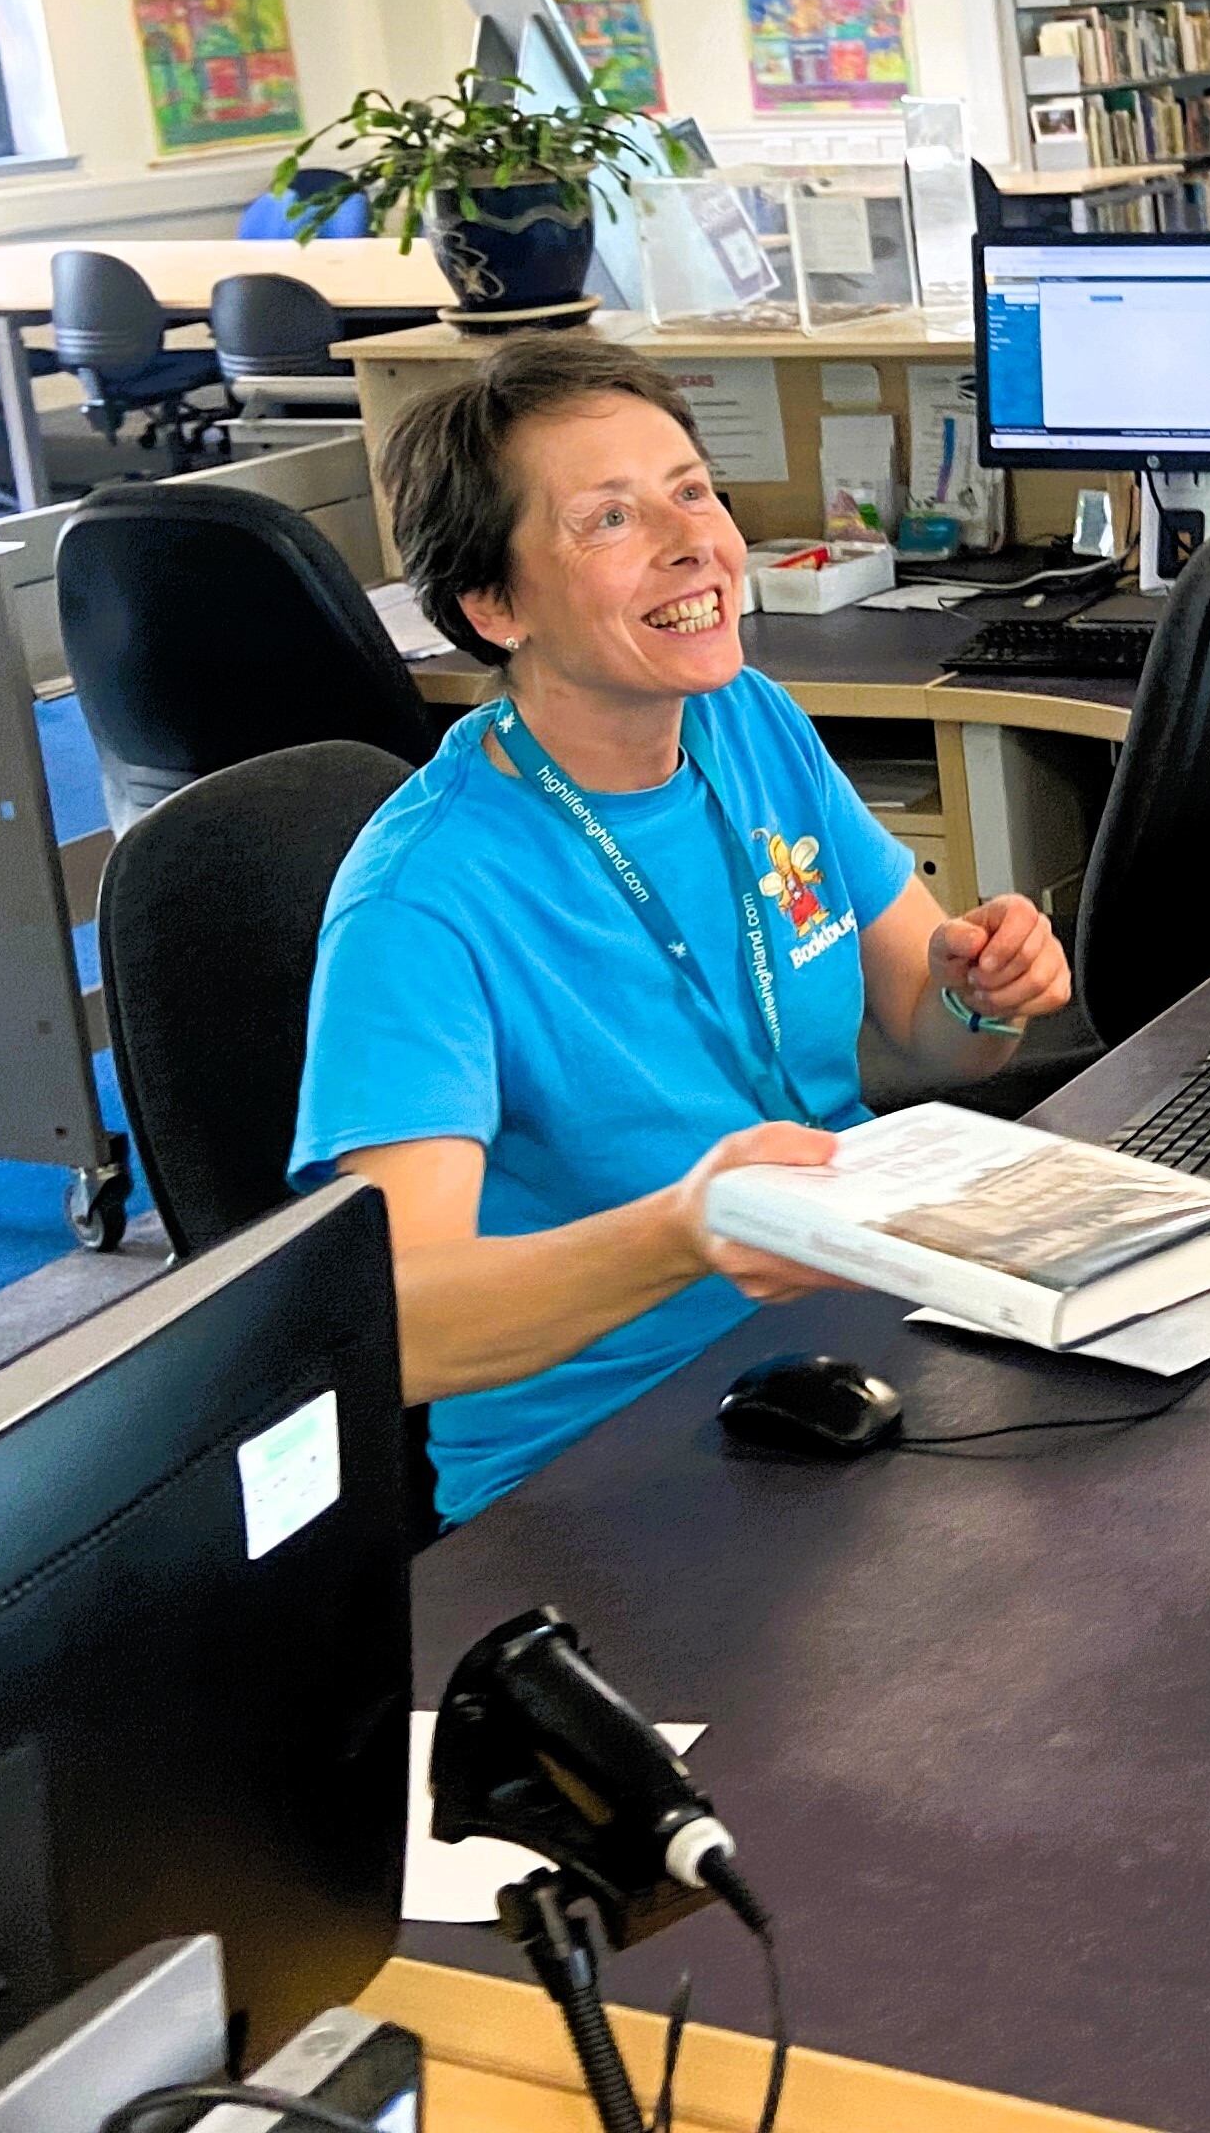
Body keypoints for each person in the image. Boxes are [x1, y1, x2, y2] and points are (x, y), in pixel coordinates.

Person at [292, 332, 1072, 1526]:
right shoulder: (423, 901)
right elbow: (398, 1321)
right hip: (603, 1459)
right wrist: (685, 1236)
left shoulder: (748, 720)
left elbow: (925, 1038)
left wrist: (981, 991)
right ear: (494, 607)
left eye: (692, 490)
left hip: (851, 1327)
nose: (691, 542)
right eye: (608, 520)